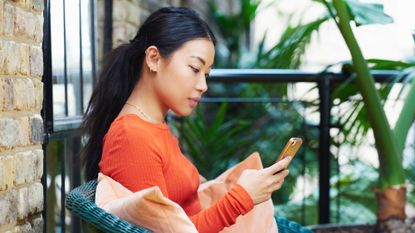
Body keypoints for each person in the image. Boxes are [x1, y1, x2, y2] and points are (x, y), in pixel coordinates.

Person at [81, 6, 291, 233]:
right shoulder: (131, 137)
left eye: (206, 74)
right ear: (153, 59)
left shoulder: (154, 126)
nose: (203, 85)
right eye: (194, 68)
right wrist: (242, 197)